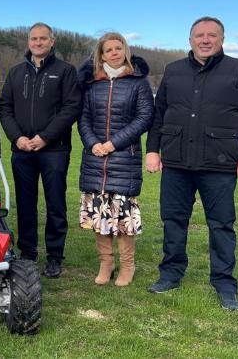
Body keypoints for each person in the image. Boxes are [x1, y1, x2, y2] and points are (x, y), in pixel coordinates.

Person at [146, 16, 238, 311]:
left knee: (221, 224)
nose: (205, 40)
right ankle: (171, 274)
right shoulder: (173, 71)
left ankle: (224, 283)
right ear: (190, 40)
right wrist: (152, 150)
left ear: (222, 39)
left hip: (220, 163)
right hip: (176, 162)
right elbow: (158, 115)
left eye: (212, 35)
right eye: (199, 35)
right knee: (173, 221)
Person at [0, 22, 81, 278]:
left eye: (43, 39)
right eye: (33, 39)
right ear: (28, 42)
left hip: (54, 150)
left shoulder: (65, 71)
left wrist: (44, 137)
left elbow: (71, 108)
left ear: (52, 41)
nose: (38, 43)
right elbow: (5, 108)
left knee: (55, 203)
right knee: (26, 203)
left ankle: (55, 256)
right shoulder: (15, 73)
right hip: (22, 150)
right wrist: (17, 137)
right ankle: (28, 253)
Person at [76, 33, 153, 287]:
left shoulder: (137, 82)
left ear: (125, 50)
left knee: (123, 219)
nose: (114, 53)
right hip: (95, 159)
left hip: (124, 158)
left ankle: (128, 266)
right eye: (108, 49)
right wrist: (93, 143)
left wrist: (113, 143)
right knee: (99, 216)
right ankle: (105, 263)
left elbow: (144, 117)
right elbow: (84, 117)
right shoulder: (91, 83)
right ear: (101, 54)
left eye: (118, 48)